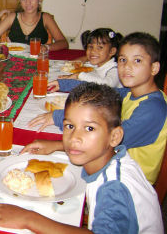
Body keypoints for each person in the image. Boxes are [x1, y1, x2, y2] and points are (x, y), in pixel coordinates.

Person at [0, 83, 163, 233]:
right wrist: (57, 146)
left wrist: (28, 219)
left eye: (89, 128)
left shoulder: (113, 188)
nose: (74, 138)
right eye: (69, 126)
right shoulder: (111, 158)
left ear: (115, 136)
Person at [28, 32, 167, 184]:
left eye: (137, 61)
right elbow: (99, 92)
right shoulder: (130, 93)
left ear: (154, 68)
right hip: (114, 163)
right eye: (122, 60)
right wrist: (64, 84)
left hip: (128, 180)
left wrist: (55, 144)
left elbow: (109, 141)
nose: (127, 67)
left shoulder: (153, 109)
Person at [49, 28, 123, 91]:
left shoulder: (115, 69)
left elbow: (107, 85)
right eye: (90, 47)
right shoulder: (99, 64)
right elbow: (93, 77)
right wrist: (72, 77)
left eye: (100, 47)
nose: (93, 51)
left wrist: (79, 75)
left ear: (112, 51)